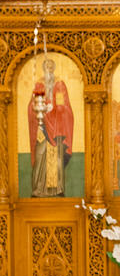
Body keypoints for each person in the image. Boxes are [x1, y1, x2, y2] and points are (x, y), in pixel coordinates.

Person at [27, 59, 73, 197]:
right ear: (43, 69)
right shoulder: (39, 85)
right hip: (42, 126)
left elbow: (65, 107)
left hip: (56, 128)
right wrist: (38, 109)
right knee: (40, 154)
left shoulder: (59, 84)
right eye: (46, 68)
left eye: (51, 68)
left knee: (55, 158)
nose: (49, 70)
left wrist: (55, 108)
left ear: (54, 69)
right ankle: (38, 190)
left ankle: (56, 190)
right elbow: (31, 106)